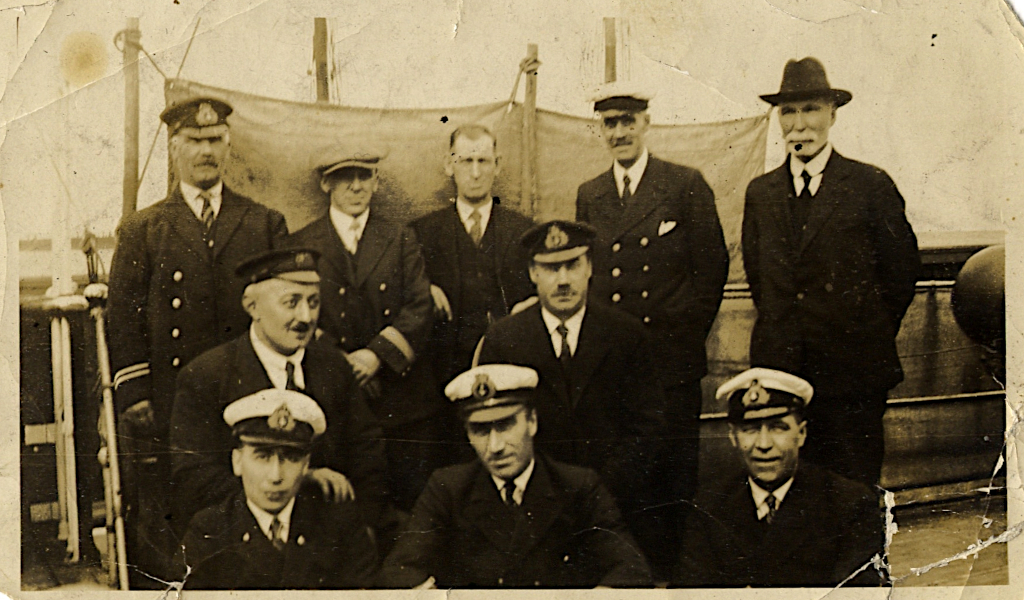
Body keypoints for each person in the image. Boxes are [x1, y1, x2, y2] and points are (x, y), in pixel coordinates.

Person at [105, 97, 288, 583]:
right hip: (171, 392)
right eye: (195, 141)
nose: (206, 151)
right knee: (177, 503)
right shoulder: (143, 229)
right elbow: (123, 316)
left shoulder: (263, 223)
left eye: (215, 141)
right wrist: (135, 389)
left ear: (227, 148)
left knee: (246, 496)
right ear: (174, 149)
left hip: (245, 387)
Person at [574, 82, 729, 573]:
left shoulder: (683, 184)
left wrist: (683, 339)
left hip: (671, 365)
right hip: (616, 367)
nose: (619, 132)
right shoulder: (590, 194)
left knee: (674, 474)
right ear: (601, 131)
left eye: (628, 121)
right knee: (626, 475)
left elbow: (712, 270)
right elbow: (592, 279)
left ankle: (678, 577)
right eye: (610, 124)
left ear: (646, 124)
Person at [742, 57, 920, 485]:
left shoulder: (870, 186)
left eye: (810, 110)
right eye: (789, 111)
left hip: (852, 378)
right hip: (783, 375)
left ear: (832, 115)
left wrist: (861, 333)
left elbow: (901, 275)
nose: (799, 124)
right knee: (792, 492)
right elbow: (760, 281)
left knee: (853, 489)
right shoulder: (761, 193)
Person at [476, 220, 667, 566]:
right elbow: (493, 427)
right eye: (550, 268)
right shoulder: (504, 339)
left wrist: (601, 493)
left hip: (615, 507)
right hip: (534, 511)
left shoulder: (626, 335)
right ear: (533, 273)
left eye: (573, 265)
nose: (563, 280)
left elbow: (647, 426)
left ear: (590, 267)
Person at [169, 248, 386, 539]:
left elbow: (368, 455)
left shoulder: (334, 367)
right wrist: (300, 481)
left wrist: (360, 529)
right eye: (291, 303)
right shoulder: (206, 377)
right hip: (240, 541)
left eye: (314, 303)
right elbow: (193, 477)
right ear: (252, 306)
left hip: (328, 541)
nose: (306, 317)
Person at [380, 364, 651, 589]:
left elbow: (631, 568)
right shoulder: (448, 488)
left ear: (532, 421)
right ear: (467, 434)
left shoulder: (578, 486)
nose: (495, 446)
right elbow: (399, 569)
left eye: (506, 424)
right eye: (480, 430)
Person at [289, 147, 444, 512]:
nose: (356, 186)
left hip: (400, 399)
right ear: (326, 183)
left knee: (408, 505)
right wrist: (341, 364)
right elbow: (296, 316)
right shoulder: (302, 243)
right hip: (334, 396)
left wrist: (376, 356)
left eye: (365, 176)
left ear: (376, 181)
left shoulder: (400, 236)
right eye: (345, 177)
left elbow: (420, 305)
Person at [674, 368, 886, 587]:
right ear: (733, 436)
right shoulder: (709, 506)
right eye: (751, 429)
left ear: (801, 433)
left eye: (778, 428)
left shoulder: (849, 504)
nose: (764, 444)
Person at [182, 389, 378, 589]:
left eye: (291, 458)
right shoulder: (208, 531)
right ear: (238, 461)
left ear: (306, 465)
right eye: (262, 457)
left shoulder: (340, 526)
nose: (276, 476)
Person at [411, 124, 535, 388]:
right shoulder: (422, 233)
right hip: (441, 372)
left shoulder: (523, 230)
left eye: (484, 161)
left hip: (507, 365)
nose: (476, 173)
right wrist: (424, 288)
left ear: (497, 165)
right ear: (449, 165)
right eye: (466, 161)